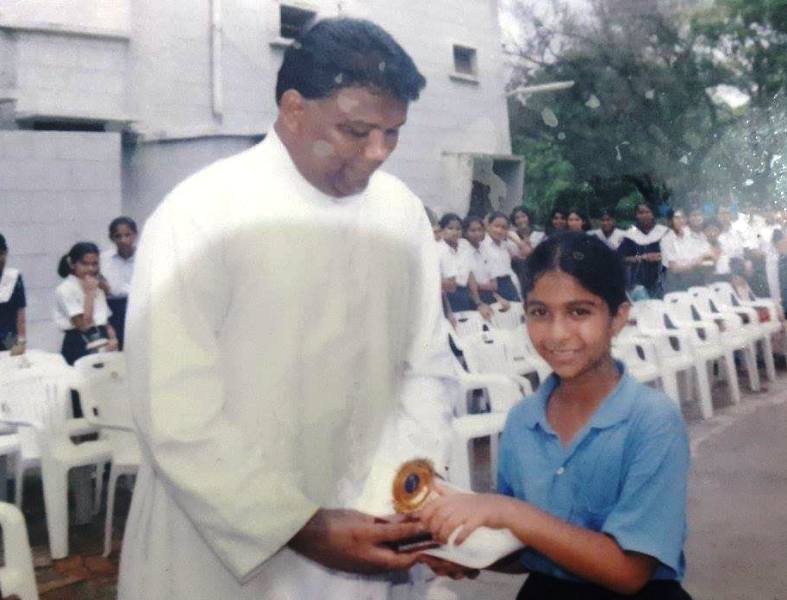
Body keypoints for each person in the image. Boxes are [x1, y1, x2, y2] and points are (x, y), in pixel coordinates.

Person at [118, 17, 465, 600]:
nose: (378, 154)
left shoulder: (401, 213)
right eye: (356, 131)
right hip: (224, 555)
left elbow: (425, 370)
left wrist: (398, 498)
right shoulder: (201, 213)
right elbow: (173, 412)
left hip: (371, 527)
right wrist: (300, 526)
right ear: (294, 109)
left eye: (393, 133)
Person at [419, 232, 692, 599]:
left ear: (618, 318)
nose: (558, 333)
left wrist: (507, 511)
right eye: (539, 313)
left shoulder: (653, 421)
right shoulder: (523, 420)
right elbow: (524, 547)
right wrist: (468, 551)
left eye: (579, 312)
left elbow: (629, 573)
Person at [54, 242, 118, 366]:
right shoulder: (65, 289)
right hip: (79, 342)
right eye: (84, 264)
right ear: (72, 264)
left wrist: (113, 339)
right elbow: (84, 325)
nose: (90, 269)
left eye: (94, 264)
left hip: (103, 340)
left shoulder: (95, 285)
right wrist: (89, 293)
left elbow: (105, 320)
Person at [100, 216, 138, 349]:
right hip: (113, 309)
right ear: (111, 238)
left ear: (135, 235)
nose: (123, 240)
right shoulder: (103, 259)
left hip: (138, 307)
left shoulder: (144, 257)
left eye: (127, 235)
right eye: (118, 236)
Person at [618, 202, 669, 298]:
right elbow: (621, 258)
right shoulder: (630, 234)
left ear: (653, 214)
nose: (644, 215)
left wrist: (661, 256)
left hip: (663, 281)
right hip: (638, 283)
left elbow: (674, 254)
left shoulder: (663, 231)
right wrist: (642, 257)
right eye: (640, 213)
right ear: (636, 215)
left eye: (647, 212)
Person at [660, 209, 715, 292]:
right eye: (676, 218)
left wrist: (702, 260)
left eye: (683, 217)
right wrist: (697, 262)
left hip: (697, 280)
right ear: (670, 221)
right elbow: (674, 268)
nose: (681, 220)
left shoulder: (693, 235)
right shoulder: (666, 240)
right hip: (676, 283)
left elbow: (709, 258)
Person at [462, 215, 503, 317]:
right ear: (465, 232)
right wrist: (479, 303)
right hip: (474, 299)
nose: (477, 233)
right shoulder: (463, 251)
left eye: (480, 230)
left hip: (490, 295)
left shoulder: (485, 249)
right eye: (473, 230)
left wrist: (499, 298)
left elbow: (494, 284)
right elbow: (471, 284)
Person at [482, 211, 523, 302]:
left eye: (504, 227)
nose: (499, 230)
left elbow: (525, 252)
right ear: (488, 226)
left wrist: (511, 237)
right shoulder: (482, 245)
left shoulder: (506, 245)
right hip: (493, 286)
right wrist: (495, 296)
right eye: (496, 226)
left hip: (510, 284)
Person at [0, 233, 27, 353]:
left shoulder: (13, 278)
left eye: (2, 254)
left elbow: (20, 314)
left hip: (8, 339)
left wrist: (22, 342)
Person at [509, 207, 543, 294]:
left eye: (523, 216)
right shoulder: (511, 235)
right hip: (517, 271)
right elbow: (514, 256)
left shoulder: (539, 234)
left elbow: (533, 253)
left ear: (528, 217)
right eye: (517, 218)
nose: (521, 220)